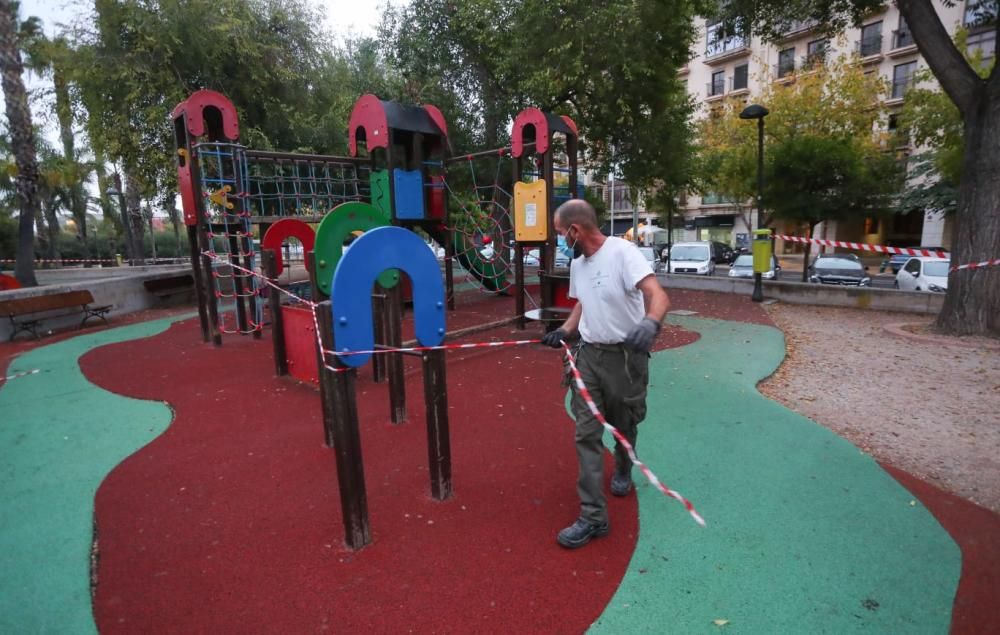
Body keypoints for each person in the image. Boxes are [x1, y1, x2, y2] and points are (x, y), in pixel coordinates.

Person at [541, 199, 670, 549]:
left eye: (560, 235)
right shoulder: (579, 265)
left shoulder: (623, 253)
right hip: (589, 358)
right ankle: (593, 516)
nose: (560, 242)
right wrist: (566, 330)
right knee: (586, 433)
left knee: (624, 423)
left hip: (625, 359)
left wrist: (650, 322)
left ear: (575, 230)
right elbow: (582, 301)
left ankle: (624, 464)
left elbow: (657, 295)